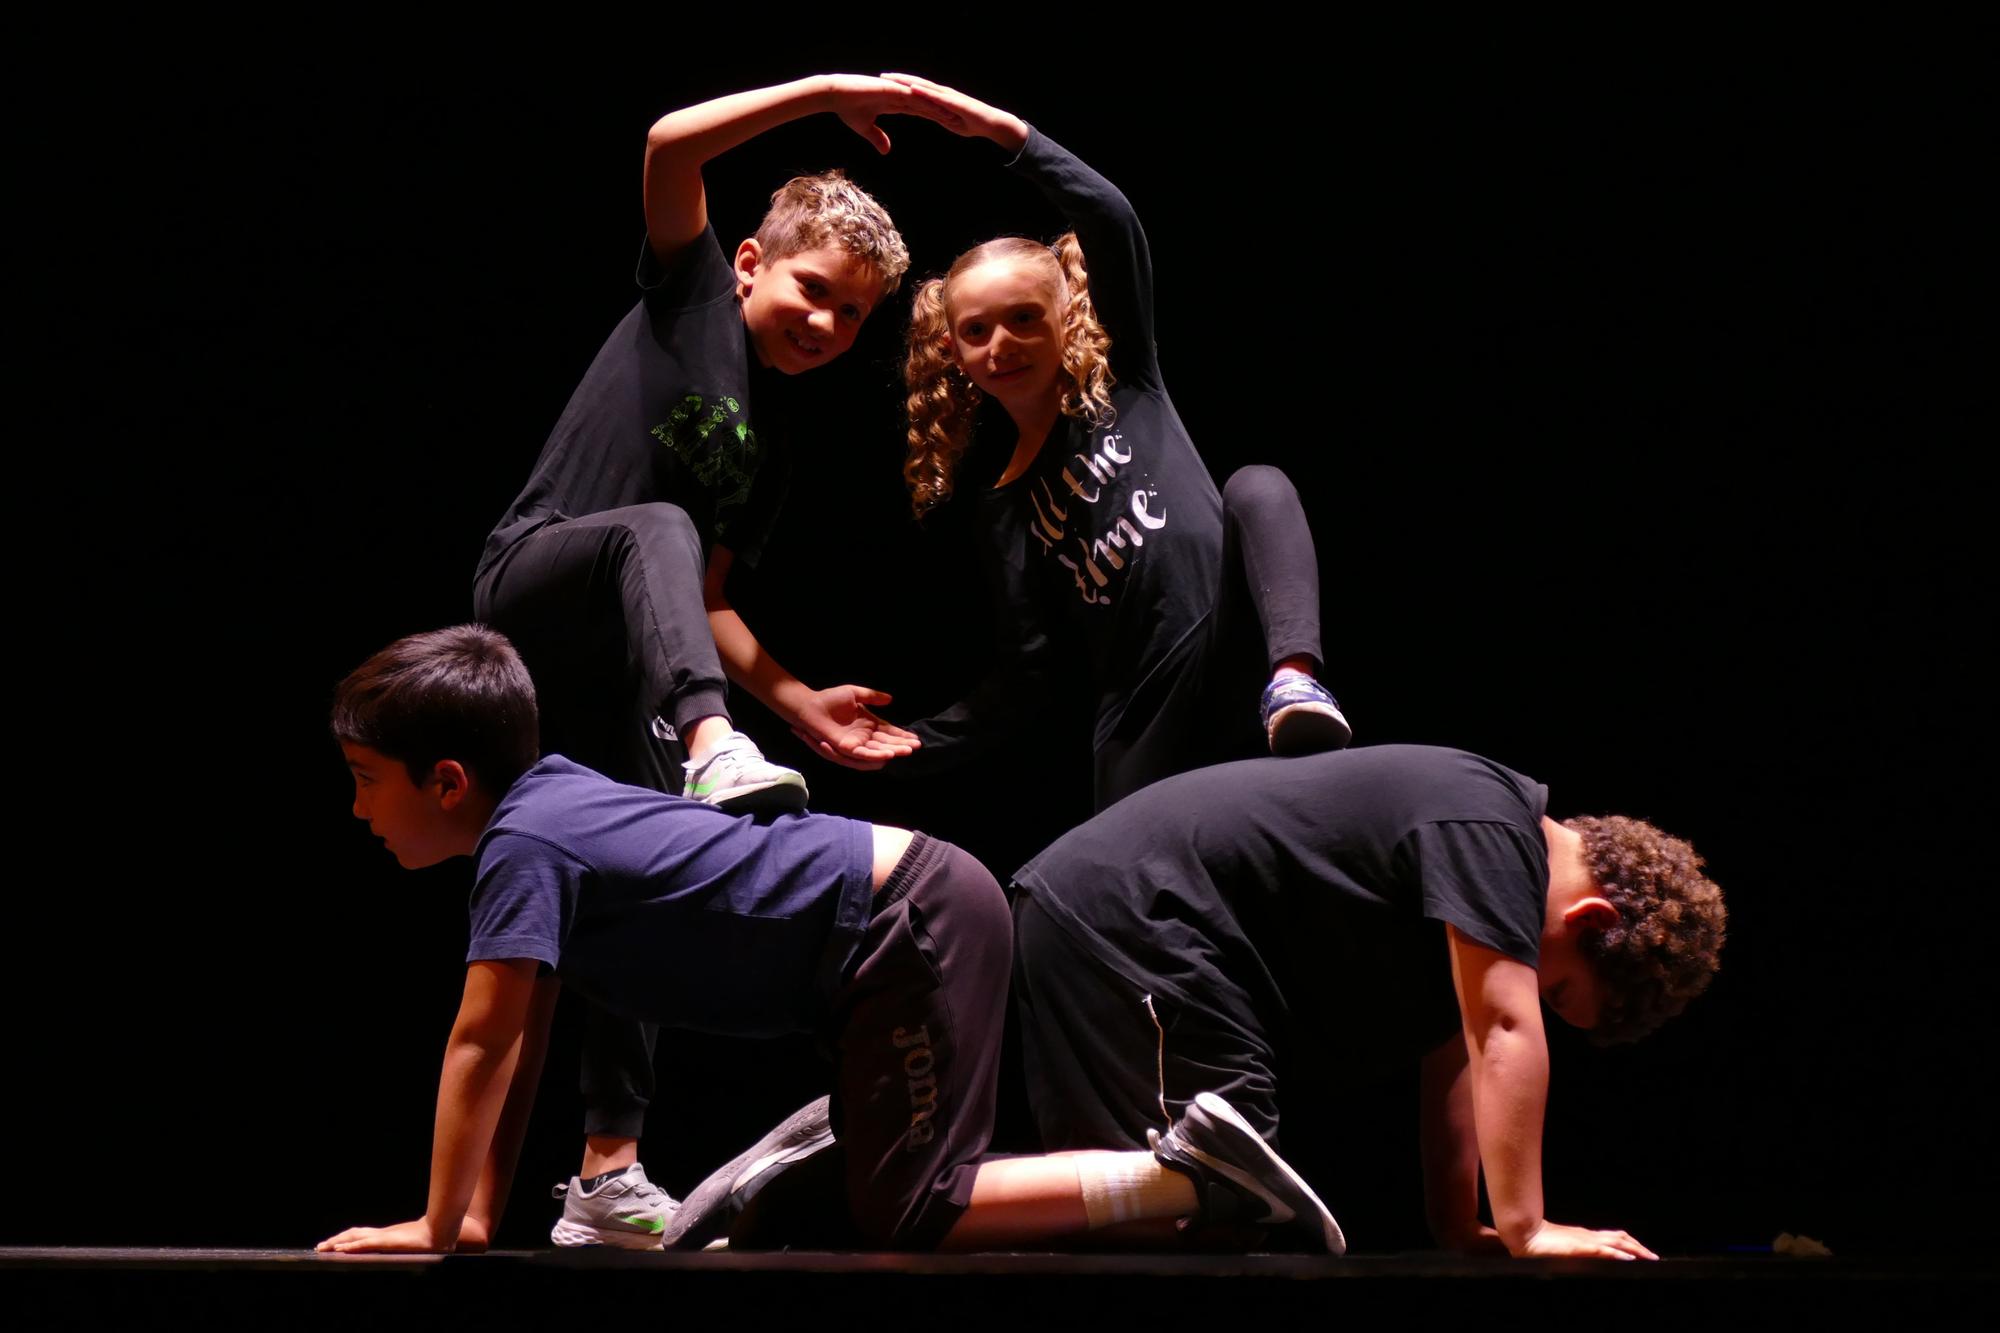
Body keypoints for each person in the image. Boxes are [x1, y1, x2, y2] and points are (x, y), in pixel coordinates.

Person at [314, 626, 1344, 1255]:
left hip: (908, 920)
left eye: (366, 781)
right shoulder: (545, 813)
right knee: (887, 1202)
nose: (358, 811)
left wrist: (434, 1226)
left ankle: (1192, 1176)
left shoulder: (524, 843)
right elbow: (522, 1045)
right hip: (893, 930)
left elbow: (482, 1043)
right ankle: (818, 1151)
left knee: (917, 1215)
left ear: (446, 779)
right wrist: (475, 1216)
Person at [469, 78, 928, 1242]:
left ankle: (602, 1178)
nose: (824, 323)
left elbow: (706, 604)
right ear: (748, 270)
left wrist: (797, 702)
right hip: (530, 585)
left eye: (852, 315)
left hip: (625, 670)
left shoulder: (767, 453)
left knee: (628, 881)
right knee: (659, 533)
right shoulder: (689, 305)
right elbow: (669, 143)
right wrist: (826, 90)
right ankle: (710, 746)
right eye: (811, 290)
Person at [1008, 745, 1726, 1259]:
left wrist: (1459, 1223)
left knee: (1187, 1214)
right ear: (1592, 918)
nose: (1533, 993)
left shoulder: (1481, 858)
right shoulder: (1493, 832)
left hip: (1133, 924)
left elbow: (1459, 1056)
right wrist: (1528, 1228)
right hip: (1132, 913)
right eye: (1557, 987)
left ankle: (942, 1202)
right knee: (1215, 1194)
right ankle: (935, 1204)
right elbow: (1503, 1028)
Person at [894, 76, 1350, 810]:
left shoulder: (1124, 382)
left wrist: (1009, 136)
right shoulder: (1003, 510)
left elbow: (1110, 216)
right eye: (976, 332)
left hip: (1221, 648)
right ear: (954, 351)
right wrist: (905, 744)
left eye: (1023, 318)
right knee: (1113, 882)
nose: (1001, 344)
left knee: (1258, 484)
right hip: (1140, 721)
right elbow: (1025, 674)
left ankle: (1295, 677)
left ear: (1064, 316)